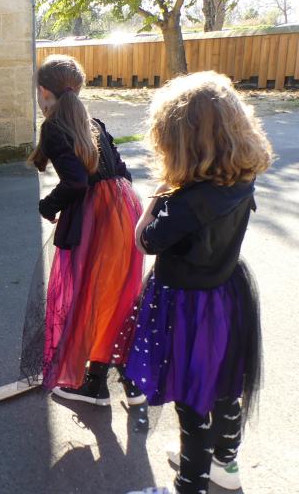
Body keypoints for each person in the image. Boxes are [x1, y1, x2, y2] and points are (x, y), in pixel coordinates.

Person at [124, 71, 272, 494]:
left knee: (191, 399)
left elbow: (144, 240)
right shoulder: (243, 175)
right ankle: (225, 465)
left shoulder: (184, 201)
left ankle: (189, 484)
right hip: (228, 295)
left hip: (188, 307)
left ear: (180, 139)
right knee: (226, 385)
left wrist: (159, 193)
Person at [30, 55, 145, 406]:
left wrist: (48, 206)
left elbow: (77, 182)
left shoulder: (54, 127)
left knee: (90, 294)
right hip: (126, 208)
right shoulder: (93, 121)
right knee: (118, 292)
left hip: (100, 216)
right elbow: (122, 170)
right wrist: (121, 206)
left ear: (43, 91)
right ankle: (129, 379)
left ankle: (94, 385)